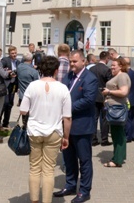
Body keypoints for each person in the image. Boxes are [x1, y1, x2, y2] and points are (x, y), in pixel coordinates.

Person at [20, 56, 71, 203]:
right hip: (54, 132)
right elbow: (67, 117)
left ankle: (34, 200)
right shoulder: (62, 88)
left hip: (34, 131)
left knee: (35, 168)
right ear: (56, 70)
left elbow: (23, 110)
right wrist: (66, 136)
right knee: (49, 170)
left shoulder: (32, 86)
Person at [54, 50, 98, 203]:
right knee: (69, 158)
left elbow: (87, 100)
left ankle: (84, 191)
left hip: (82, 126)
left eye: (75, 61)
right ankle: (70, 185)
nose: (72, 64)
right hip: (67, 127)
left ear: (83, 61)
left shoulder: (90, 78)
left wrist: (66, 107)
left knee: (84, 160)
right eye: (71, 61)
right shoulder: (69, 77)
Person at [102, 57, 131, 167]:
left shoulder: (122, 76)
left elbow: (124, 92)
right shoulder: (119, 76)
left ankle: (117, 160)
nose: (112, 67)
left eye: (114, 65)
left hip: (117, 108)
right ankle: (119, 156)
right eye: (111, 65)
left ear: (121, 66)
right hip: (115, 107)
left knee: (117, 134)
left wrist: (109, 91)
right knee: (118, 133)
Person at [89, 50, 111, 146]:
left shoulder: (92, 69)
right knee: (104, 118)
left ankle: (93, 139)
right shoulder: (107, 70)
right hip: (103, 96)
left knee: (93, 118)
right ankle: (104, 139)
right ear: (107, 58)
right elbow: (110, 84)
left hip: (93, 95)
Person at [0, 45, 20, 130]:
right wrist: (7, 72)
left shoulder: (18, 62)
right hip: (6, 84)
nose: (14, 55)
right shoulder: (5, 60)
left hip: (13, 84)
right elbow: (0, 69)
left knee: (10, 104)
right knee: (5, 103)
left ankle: (6, 122)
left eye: (15, 53)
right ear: (9, 53)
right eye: (12, 53)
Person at [17, 53, 40, 129]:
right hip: (31, 96)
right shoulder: (34, 72)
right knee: (31, 115)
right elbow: (37, 85)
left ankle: (24, 128)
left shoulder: (19, 67)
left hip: (22, 95)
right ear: (32, 60)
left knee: (24, 114)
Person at [124, 57, 134, 143]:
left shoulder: (125, 74)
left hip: (127, 98)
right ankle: (133, 135)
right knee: (132, 117)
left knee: (127, 118)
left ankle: (128, 136)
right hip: (133, 96)